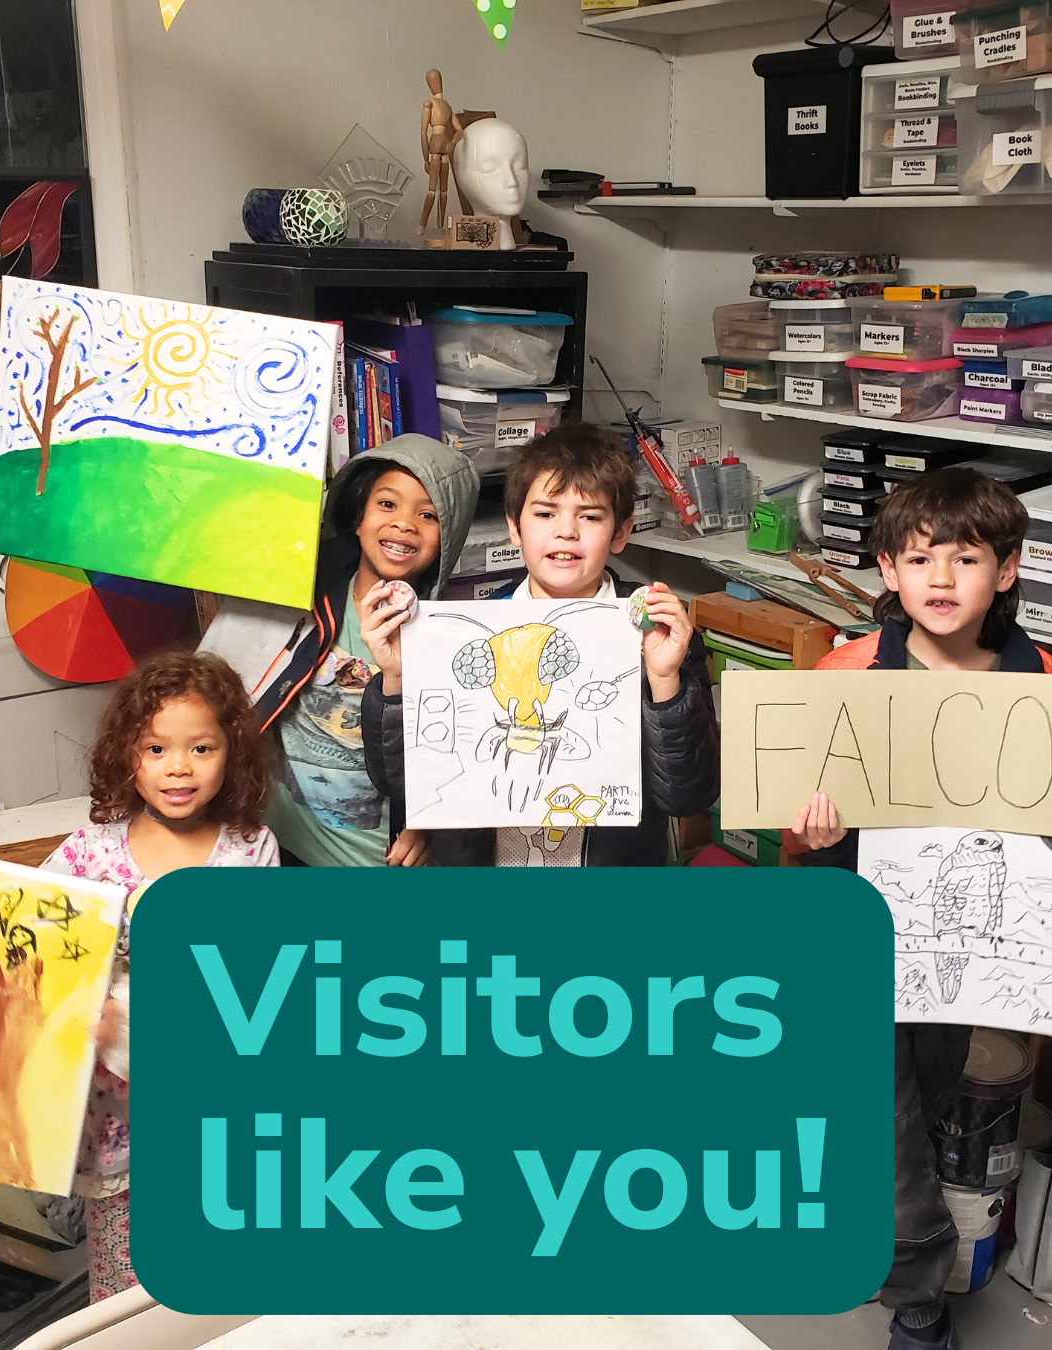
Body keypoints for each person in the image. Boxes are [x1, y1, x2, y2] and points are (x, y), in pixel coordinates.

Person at [784, 467, 1052, 1350]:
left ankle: (948, 1243)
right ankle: (918, 1301)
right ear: (888, 571)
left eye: (966, 558)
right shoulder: (849, 671)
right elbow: (800, 841)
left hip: (984, 959)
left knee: (958, 1114)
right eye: (919, 557)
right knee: (886, 1122)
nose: (940, 579)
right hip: (869, 949)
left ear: (1007, 571)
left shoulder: (1038, 681)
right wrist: (814, 831)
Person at [359, 422, 719, 865]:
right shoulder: (465, 631)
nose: (566, 531)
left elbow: (689, 795)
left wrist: (664, 682)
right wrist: (396, 679)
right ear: (515, 528)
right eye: (545, 513)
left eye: (589, 516)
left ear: (621, 532)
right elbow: (397, 781)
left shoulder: (659, 636)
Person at [42, 649, 279, 1301]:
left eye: (201, 748)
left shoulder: (250, 849)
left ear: (231, 753)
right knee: (125, 1293)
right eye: (156, 749)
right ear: (128, 755)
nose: (179, 767)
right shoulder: (85, 856)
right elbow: (33, 961)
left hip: (213, 1112)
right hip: (115, 1125)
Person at [255, 436, 479, 867]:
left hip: (377, 861)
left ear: (446, 540)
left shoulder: (448, 640)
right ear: (358, 519)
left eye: (428, 514)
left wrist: (428, 820)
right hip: (284, 849)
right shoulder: (301, 608)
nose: (405, 524)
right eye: (388, 505)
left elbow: (460, 755)